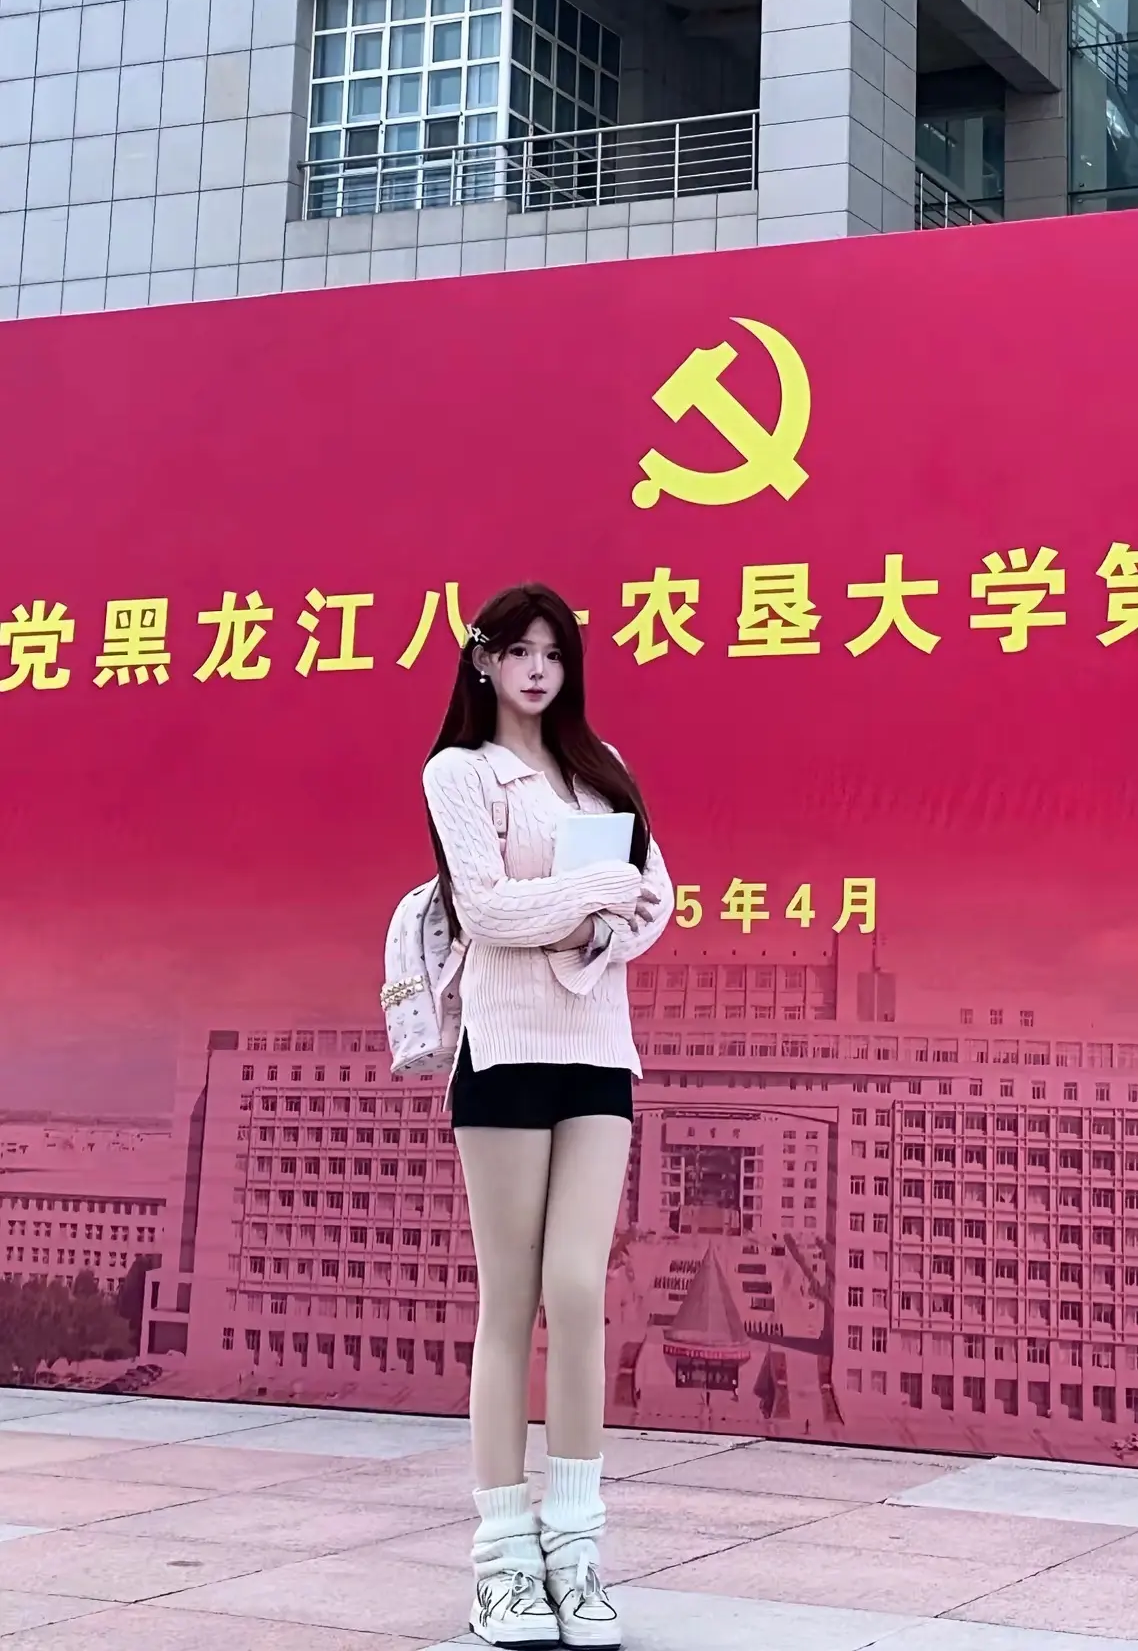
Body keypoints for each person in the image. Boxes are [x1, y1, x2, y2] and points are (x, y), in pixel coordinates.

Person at [423, 583, 673, 1649]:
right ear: (482, 660)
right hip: (505, 1052)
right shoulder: (460, 772)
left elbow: (656, 896)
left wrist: (598, 927)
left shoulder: (598, 764)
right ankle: (502, 1563)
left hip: (599, 1053)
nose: (538, 670)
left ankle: (576, 1550)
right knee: (511, 1300)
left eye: (555, 653)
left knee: (578, 1291)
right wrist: (590, 902)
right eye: (519, 651)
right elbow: (483, 907)